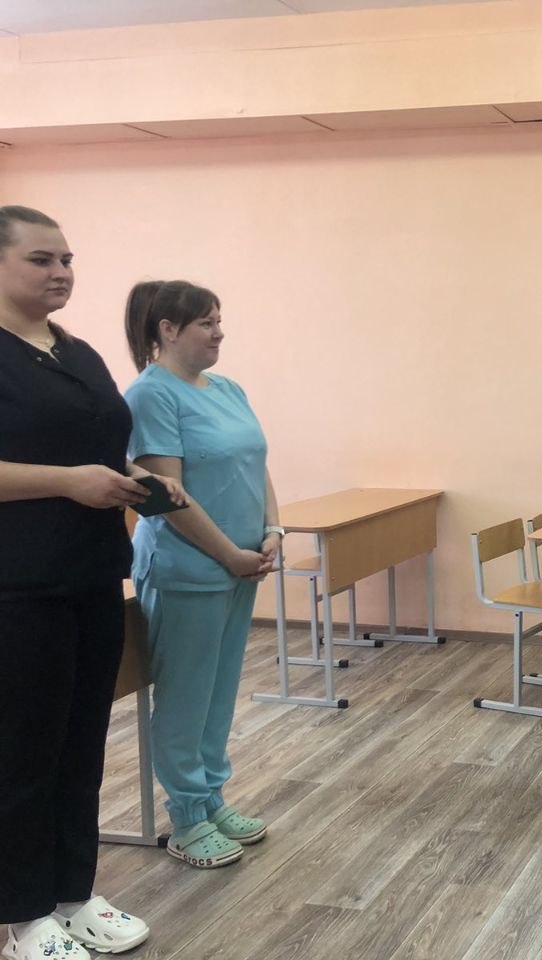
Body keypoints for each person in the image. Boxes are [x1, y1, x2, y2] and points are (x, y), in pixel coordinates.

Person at [0, 206, 166, 960]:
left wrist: (136, 481)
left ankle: (73, 894)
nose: (61, 271)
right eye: (41, 259)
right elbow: (62, 467)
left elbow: (95, 445)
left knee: (81, 745)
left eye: (66, 258)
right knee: (22, 753)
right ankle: (23, 915)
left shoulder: (77, 351)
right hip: (18, 586)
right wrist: (68, 482)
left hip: (92, 574)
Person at [123, 280, 282, 867]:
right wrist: (229, 554)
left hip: (242, 564)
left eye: (219, 321)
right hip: (188, 568)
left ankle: (213, 797)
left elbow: (257, 464)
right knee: (186, 698)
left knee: (217, 693)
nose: (219, 333)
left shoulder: (228, 388)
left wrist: (273, 529)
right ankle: (187, 817)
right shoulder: (151, 395)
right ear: (167, 330)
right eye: (206, 323)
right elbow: (168, 497)